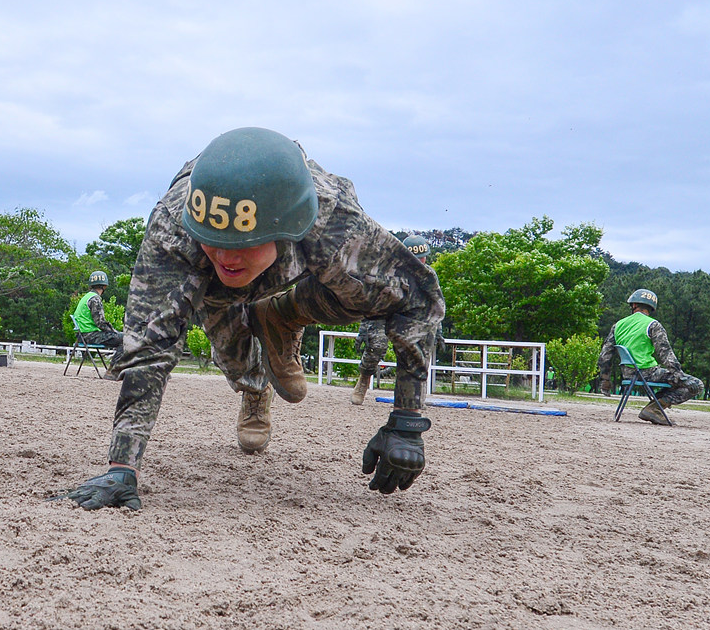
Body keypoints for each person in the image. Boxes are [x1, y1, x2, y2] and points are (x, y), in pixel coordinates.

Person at [53, 127, 445, 511]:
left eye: (242, 244)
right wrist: (122, 469)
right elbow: (148, 349)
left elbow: (419, 299)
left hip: (296, 265)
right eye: (216, 241)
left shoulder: (334, 225)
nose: (226, 256)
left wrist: (407, 420)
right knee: (237, 362)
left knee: (371, 294)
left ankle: (282, 313)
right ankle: (256, 388)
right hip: (214, 291)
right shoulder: (174, 229)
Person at [597, 288, 703, 425]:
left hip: (628, 374)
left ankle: (654, 408)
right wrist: (681, 376)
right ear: (651, 308)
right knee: (697, 384)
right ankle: (654, 409)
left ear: (634, 305)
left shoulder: (618, 325)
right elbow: (666, 355)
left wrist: (605, 380)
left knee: (678, 382)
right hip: (648, 373)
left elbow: (604, 355)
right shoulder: (653, 325)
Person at [351, 234, 432, 405]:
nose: (419, 263)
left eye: (422, 258)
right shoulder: (387, 272)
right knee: (377, 345)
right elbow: (371, 302)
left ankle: (415, 394)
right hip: (383, 314)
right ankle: (364, 379)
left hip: (411, 317)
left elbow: (436, 306)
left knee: (420, 349)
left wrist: (435, 331)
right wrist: (364, 331)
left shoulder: (429, 277)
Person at [72, 271, 124, 368]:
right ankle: (114, 369)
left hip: (82, 335)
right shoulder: (95, 299)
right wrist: (115, 332)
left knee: (121, 337)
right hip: (91, 336)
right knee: (126, 340)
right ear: (104, 286)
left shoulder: (86, 297)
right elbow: (100, 323)